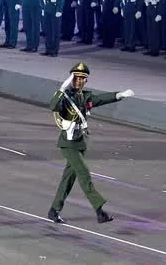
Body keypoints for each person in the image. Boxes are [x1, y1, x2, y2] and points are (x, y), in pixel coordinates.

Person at [48, 62, 135, 224]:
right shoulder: (65, 96)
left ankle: (54, 210)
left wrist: (119, 95)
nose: (79, 81)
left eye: (82, 78)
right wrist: (61, 89)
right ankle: (99, 211)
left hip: (80, 143)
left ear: (86, 81)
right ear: (71, 79)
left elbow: (100, 99)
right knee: (84, 174)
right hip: (68, 143)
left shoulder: (85, 96)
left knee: (68, 179)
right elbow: (53, 106)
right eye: (76, 78)